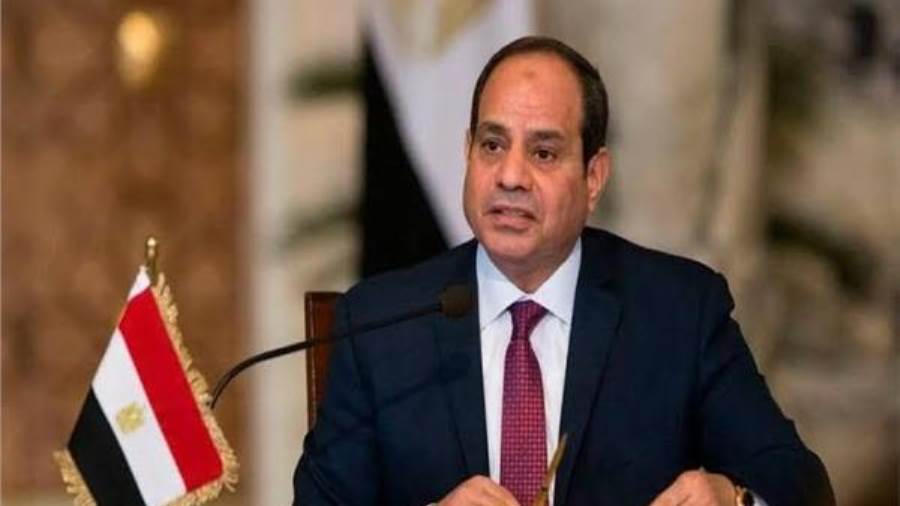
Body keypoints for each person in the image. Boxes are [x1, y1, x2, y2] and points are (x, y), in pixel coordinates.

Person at [293, 36, 833, 506]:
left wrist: (733, 497)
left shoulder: (679, 311)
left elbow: (799, 482)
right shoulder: (380, 325)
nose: (510, 176)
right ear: (467, 152)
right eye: (492, 145)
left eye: (544, 153)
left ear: (593, 177)